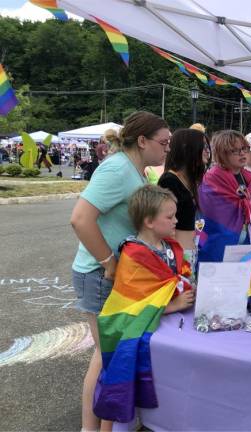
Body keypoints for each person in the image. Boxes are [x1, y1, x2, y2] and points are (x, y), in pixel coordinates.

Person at [69, 111, 170, 432]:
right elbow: (81, 219)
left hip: (117, 276)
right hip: (99, 275)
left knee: (110, 357)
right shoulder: (116, 169)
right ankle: (90, 428)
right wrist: (108, 263)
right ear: (142, 141)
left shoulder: (137, 172)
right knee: (104, 358)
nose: (167, 149)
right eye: (163, 142)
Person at [93, 184, 195, 422]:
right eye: (170, 217)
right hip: (147, 329)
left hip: (169, 329)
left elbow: (178, 278)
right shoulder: (133, 254)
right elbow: (130, 303)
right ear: (149, 221)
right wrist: (171, 305)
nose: (176, 220)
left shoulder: (170, 246)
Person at [198, 130, 251, 263]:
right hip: (220, 246)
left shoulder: (246, 177)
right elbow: (212, 219)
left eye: (244, 148)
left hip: (245, 244)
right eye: (235, 150)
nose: (242, 153)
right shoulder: (212, 179)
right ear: (222, 154)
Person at [158, 128, 210, 258]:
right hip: (178, 256)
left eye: (207, 146)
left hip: (190, 253)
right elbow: (164, 225)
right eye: (203, 146)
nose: (207, 151)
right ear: (188, 148)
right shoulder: (169, 181)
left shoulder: (190, 181)